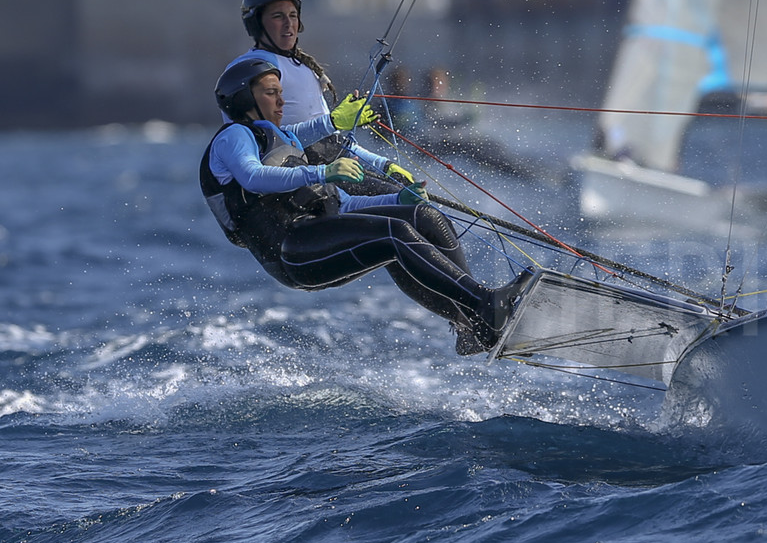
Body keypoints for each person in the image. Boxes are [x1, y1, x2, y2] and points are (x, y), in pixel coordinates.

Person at [199, 55, 536, 355]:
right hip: (290, 252)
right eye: (271, 92)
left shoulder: (283, 142)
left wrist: (397, 199)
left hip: (317, 235)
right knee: (394, 234)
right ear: (244, 98)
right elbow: (253, 177)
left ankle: (474, 327)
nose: (281, 99)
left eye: (280, 91)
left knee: (422, 216)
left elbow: (342, 203)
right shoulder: (233, 137)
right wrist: (323, 170)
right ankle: (484, 303)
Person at [227, 0, 412, 195]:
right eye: (278, 16)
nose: (288, 23)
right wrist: (332, 122)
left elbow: (332, 142)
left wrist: (383, 165)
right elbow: (261, 144)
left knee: (414, 201)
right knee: (409, 207)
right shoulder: (251, 69)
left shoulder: (304, 68)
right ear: (257, 24)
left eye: (293, 15)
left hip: (332, 170)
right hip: (297, 182)